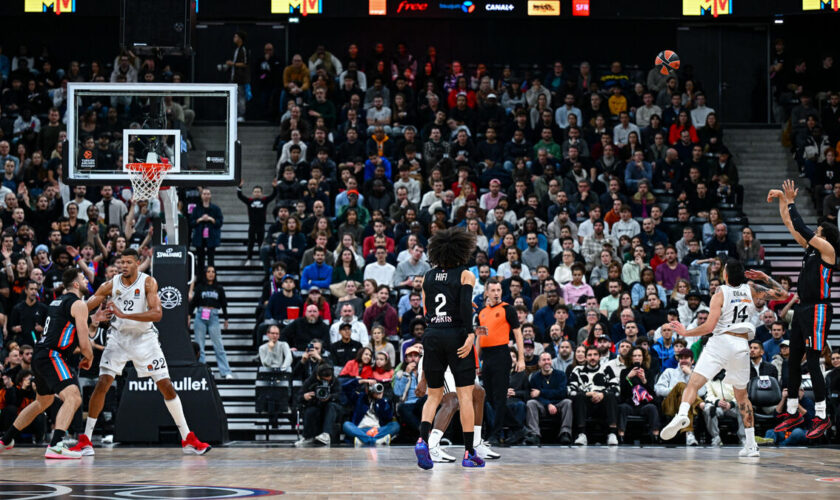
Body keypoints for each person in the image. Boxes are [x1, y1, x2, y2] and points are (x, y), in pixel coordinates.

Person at [70, 249, 211, 456]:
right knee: (103, 383)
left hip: (145, 339)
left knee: (166, 386)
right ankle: (86, 440)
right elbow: (86, 306)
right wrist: (72, 310)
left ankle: (187, 438)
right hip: (118, 338)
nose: (123, 265)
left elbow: (157, 313)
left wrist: (124, 314)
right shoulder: (110, 284)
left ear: (137, 263)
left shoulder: (148, 282)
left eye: (128, 262)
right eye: (121, 262)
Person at [662, 259, 788, 458]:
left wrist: (686, 333)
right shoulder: (752, 289)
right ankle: (751, 445)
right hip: (741, 346)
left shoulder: (720, 292)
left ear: (726, 275)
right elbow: (784, 294)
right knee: (742, 397)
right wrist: (765, 277)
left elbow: (709, 327)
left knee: (693, 383)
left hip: (721, 342)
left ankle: (682, 415)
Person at [0, 268, 97, 458]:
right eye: (83, 278)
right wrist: (89, 357)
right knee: (74, 397)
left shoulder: (57, 301)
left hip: (41, 355)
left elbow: (65, 331)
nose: (87, 280)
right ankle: (56, 445)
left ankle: (6, 439)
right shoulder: (79, 304)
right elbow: (85, 344)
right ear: (76, 284)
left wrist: (93, 320)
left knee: (43, 401)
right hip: (53, 356)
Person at [768, 180, 838, 439]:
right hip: (803, 308)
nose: (815, 234)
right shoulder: (811, 250)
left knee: (812, 361)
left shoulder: (828, 250)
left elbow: (800, 225)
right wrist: (782, 202)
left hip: (819, 309)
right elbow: (790, 224)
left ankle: (821, 415)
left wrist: (792, 201)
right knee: (792, 359)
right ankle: (793, 411)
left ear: (825, 236)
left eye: (818, 231)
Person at [415, 227, 483, 469]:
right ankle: (469, 453)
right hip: (456, 335)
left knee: (433, 395)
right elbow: (466, 308)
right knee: (465, 396)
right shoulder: (466, 275)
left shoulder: (427, 277)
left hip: (432, 335)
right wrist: (469, 335)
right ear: (462, 250)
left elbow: (425, 312)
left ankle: (422, 441)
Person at [476, 278, 524, 446]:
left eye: (498, 290)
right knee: (489, 397)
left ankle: (495, 435)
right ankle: (518, 427)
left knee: (499, 397)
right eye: (493, 290)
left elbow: (518, 334)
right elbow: (479, 338)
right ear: (487, 292)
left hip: (502, 354)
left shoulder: (508, 309)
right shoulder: (482, 312)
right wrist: (477, 362)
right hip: (487, 357)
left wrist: (520, 358)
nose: (496, 293)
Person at [189, 266, 232, 379]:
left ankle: (225, 371)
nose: (211, 274)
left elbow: (224, 304)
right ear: (205, 274)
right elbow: (193, 303)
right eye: (208, 271)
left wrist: (226, 319)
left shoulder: (219, 288)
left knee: (218, 346)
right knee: (200, 346)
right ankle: (202, 371)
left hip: (214, 316)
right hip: (200, 315)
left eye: (213, 272)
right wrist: (189, 316)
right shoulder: (200, 287)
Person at [295, 363, 341, 447]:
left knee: (331, 406)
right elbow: (298, 397)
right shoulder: (310, 381)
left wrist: (330, 397)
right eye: (324, 380)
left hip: (331, 406)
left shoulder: (335, 381)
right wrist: (304, 397)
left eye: (328, 380)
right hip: (316, 405)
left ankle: (326, 434)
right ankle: (307, 437)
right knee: (310, 411)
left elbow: (340, 396)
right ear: (317, 376)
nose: (326, 382)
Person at [237, 179, 278, 263]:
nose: (257, 193)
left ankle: (261, 259)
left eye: (258, 191)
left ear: (261, 193)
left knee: (260, 242)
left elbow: (273, 196)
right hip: (252, 225)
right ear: (253, 193)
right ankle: (248, 258)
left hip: (261, 226)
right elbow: (240, 196)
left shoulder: (264, 200)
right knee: (251, 242)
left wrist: (275, 187)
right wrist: (239, 187)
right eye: (255, 191)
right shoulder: (249, 201)